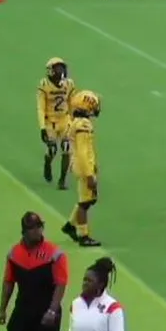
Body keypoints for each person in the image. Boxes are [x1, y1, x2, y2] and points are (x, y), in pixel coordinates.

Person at [61, 91, 104, 247]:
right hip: (83, 167)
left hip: (81, 165)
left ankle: (70, 226)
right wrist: (89, 174)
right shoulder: (83, 125)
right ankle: (83, 234)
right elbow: (83, 152)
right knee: (84, 203)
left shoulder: (77, 122)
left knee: (89, 199)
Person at [37, 57, 76, 190]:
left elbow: (71, 103)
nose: (61, 71)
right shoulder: (44, 85)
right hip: (50, 121)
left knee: (66, 148)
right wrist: (42, 127)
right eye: (58, 68)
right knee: (52, 150)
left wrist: (74, 120)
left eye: (62, 68)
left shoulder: (69, 84)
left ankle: (62, 180)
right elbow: (41, 107)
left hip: (64, 120)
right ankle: (47, 163)